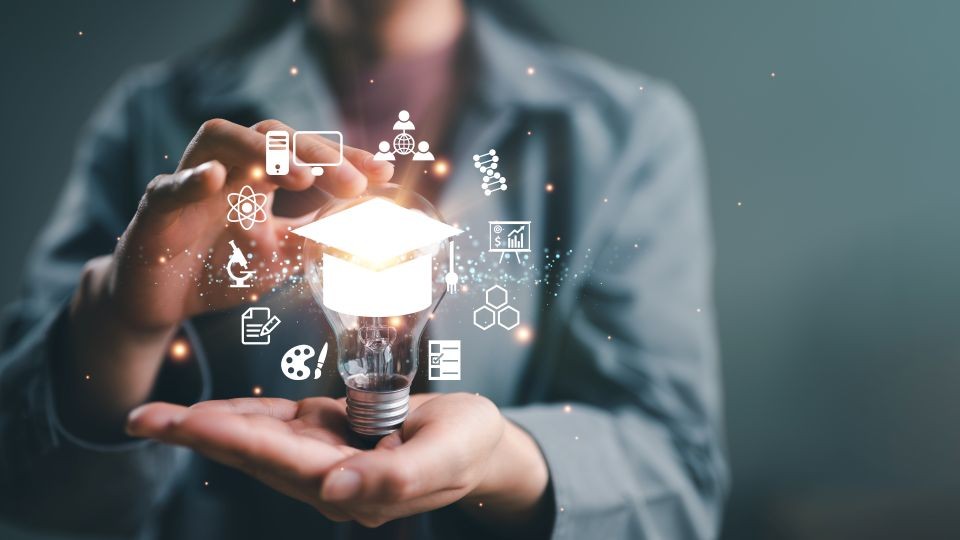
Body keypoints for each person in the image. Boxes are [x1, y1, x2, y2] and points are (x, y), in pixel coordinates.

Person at [0, 0, 728, 539]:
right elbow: (27, 486)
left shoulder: (623, 130)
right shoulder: (152, 116)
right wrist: (124, 317)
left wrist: (503, 458)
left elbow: (678, 480)